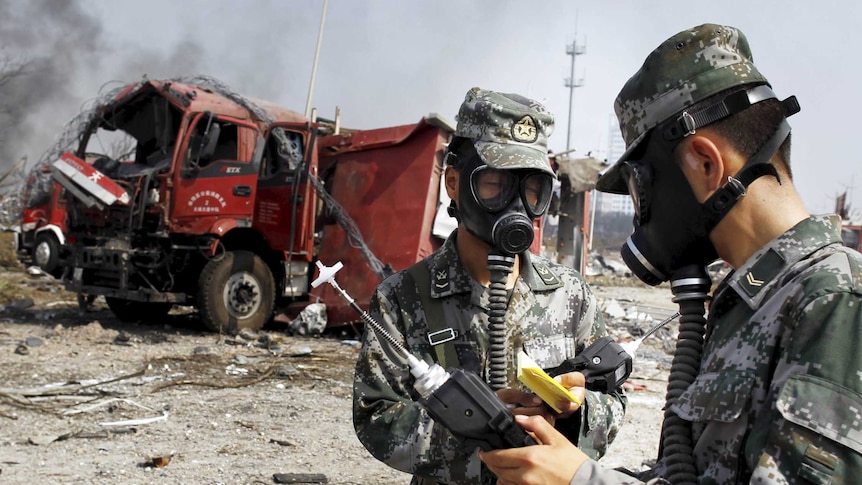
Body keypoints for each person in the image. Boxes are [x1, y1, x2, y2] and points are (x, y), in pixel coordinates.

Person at [479, 23, 862, 484]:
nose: (644, 215)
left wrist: (583, 482)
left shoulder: (837, 304)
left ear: (705, 163)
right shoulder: (756, 301)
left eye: (641, 189)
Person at [353, 87, 627, 485]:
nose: (517, 205)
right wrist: (477, 432)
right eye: (495, 184)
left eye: (532, 189)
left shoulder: (570, 294)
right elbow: (376, 417)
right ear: (453, 182)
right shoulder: (403, 297)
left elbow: (614, 398)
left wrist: (572, 415)